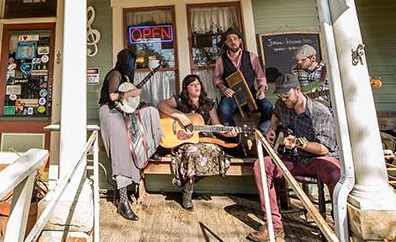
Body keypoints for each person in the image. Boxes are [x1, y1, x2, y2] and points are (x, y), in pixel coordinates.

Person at [248, 74, 341, 241]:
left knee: (336, 173)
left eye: (286, 95)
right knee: (261, 166)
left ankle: (340, 223)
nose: (283, 99)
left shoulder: (320, 112)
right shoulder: (282, 105)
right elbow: (276, 115)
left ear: (298, 90)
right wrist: (272, 129)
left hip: (318, 159)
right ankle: (274, 225)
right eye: (280, 96)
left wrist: (299, 143)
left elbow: (323, 147)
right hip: (294, 158)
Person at [98, 48, 162, 221]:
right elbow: (112, 96)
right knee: (121, 153)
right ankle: (123, 202)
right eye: (134, 64)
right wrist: (130, 93)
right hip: (110, 113)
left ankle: (152, 148)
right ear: (128, 63)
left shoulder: (126, 78)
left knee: (150, 111)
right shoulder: (115, 74)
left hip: (123, 113)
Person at [158, 74, 237, 211]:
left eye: (198, 84)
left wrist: (228, 132)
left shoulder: (209, 104)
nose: (197, 87)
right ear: (186, 88)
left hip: (205, 140)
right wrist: (179, 116)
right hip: (185, 142)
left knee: (216, 152)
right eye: (192, 85)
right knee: (192, 152)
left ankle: (184, 182)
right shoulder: (180, 101)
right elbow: (161, 105)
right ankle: (187, 194)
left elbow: (216, 126)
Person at [213, 28, 273, 133]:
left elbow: (261, 78)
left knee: (268, 106)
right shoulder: (221, 60)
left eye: (235, 39)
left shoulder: (252, 57)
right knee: (223, 109)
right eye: (229, 40)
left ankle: (261, 136)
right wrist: (224, 89)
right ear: (226, 43)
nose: (233, 42)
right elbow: (217, 78)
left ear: (240, 41)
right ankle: (235, 139)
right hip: (232, 96)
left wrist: (262, 90)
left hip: (251, 94)